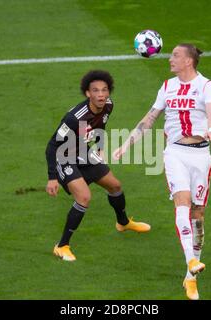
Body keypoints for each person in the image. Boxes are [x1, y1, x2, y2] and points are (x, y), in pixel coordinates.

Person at [113, 44, 211, 300]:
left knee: (198, 213)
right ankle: (191, 261)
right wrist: (127, 144)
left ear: (188, 61)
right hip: (174, 153)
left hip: (200, 155)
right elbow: (150, 118)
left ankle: (190, 278)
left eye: (175, 55)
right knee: (182, 204)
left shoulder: (207, 86)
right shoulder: (166, 86)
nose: (170, 59)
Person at [45, 70, 151, 262]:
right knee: (84, 197)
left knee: (115, 186)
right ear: (88, 94)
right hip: (65, 156)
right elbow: (52, 145)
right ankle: (61, 246)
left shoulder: (108, 106)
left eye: (104, 90)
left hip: (84, 153)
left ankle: (123, 222)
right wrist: (52, 177)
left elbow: (100, 126)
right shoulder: (74, 118)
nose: (101, 94)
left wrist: (100, 148)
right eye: (96, 91)